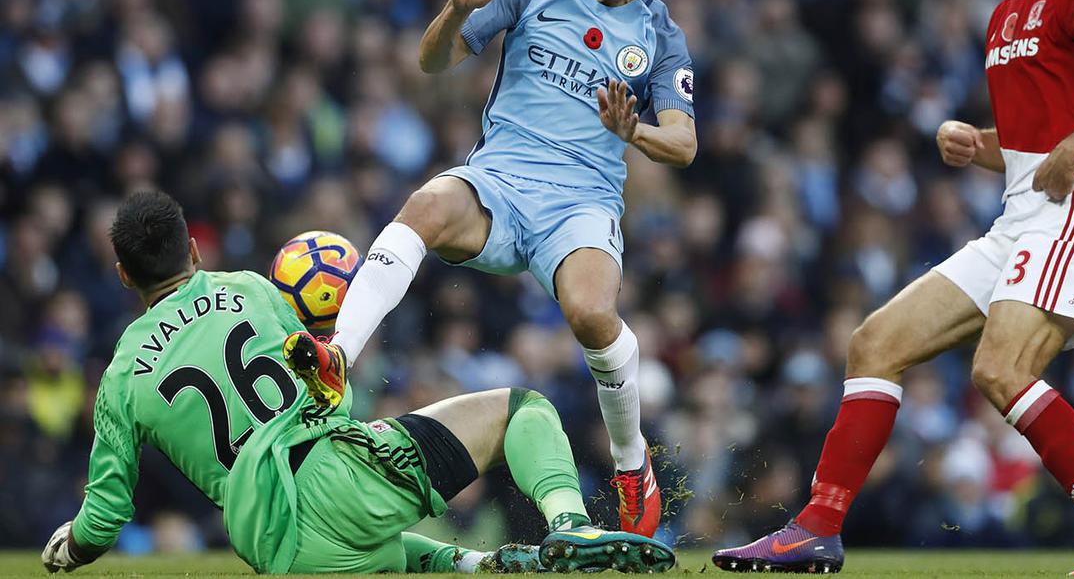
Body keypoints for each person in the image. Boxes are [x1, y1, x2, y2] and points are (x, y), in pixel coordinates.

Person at [713, 0, 1074, 575]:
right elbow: (1033, 148)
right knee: (875, 343)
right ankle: (816, 528)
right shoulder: (1004, 13)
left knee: (999, 368)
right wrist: (981, 146)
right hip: (1022, 212)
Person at [283, 0, 695, 538]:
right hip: (499, 183)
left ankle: (629, 464)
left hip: (580, 204)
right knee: (426, 204)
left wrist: (634, 133)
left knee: (592, 314)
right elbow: (430, 61)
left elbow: (683, 143)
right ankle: (337, 358)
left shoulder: (660, 36)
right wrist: (455, 10)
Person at [40, 190, 675, 575]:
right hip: (338, 476)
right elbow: (329, 382)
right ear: (195, 252)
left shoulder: (120, 377)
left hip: (274, 545)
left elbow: (104, 517)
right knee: (523, 408)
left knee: (377, 545)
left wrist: (70, 548)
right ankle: (568, 523)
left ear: (123, 275)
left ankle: (489, 563)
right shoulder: (252, 292)